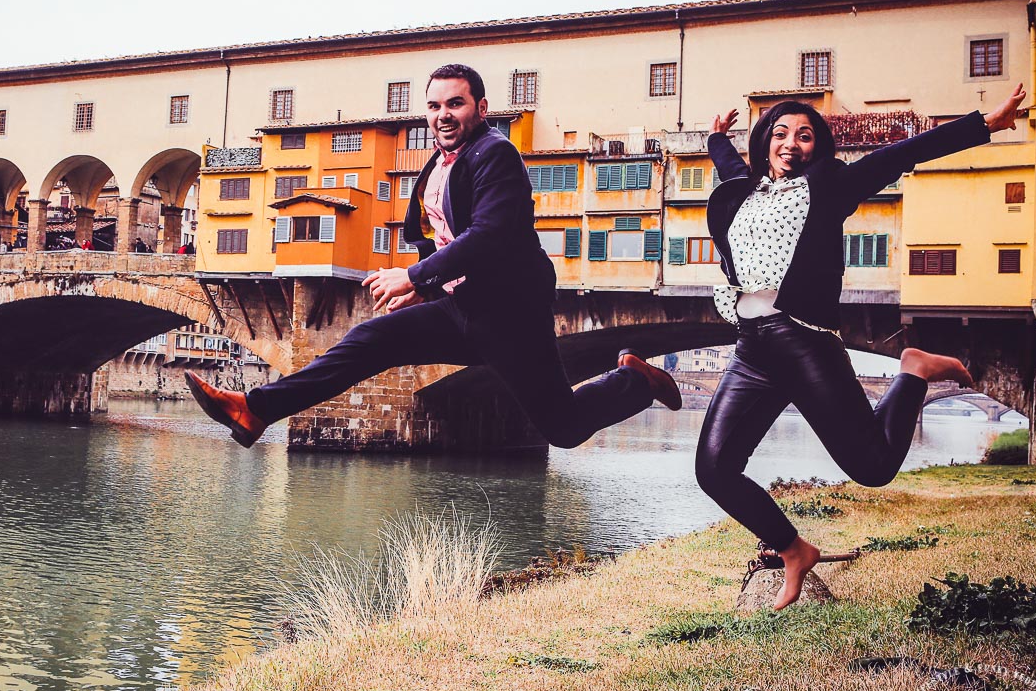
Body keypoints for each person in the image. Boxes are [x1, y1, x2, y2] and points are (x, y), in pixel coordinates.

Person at [185, 63, 681, 448]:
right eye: (434, 105)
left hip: (509, 315)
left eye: (456, 104)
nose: (443, 114)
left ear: (480, 108)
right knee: (368, 340)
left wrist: (415, 279)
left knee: (565, 428)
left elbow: (491, 235)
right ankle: (255, 409)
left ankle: (634, 379)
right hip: (461, 308)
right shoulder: (437, 165)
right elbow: (434, 236)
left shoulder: (495, 155)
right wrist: (427, 292)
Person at [695, 84, 1028, 610]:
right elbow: (728, 165)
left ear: (817, 149)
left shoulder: (830, 189)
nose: (791, 143)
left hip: (806, 345)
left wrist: (984, 124)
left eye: (804, 136)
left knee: (872, 468)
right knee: (713, 470)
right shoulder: (744, 191)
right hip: (752, 349)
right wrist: (716, 138)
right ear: (763, 145)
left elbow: (902, 153)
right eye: (780, 134)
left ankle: (913, 372)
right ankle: (793, 549)